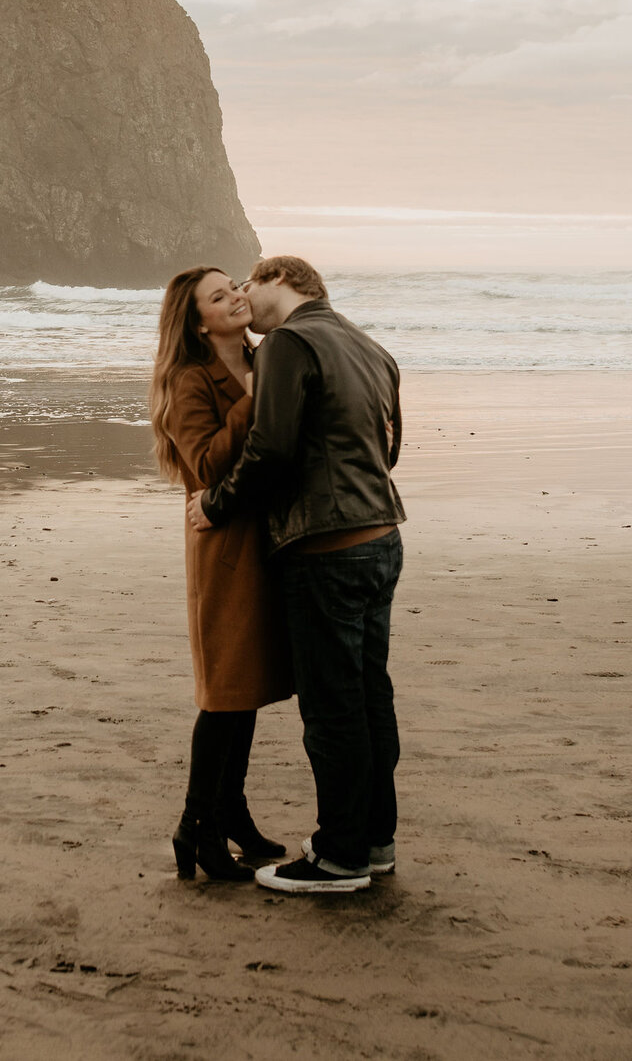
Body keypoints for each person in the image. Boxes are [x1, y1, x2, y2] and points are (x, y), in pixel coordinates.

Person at [190, 254, 405, 895]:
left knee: (334, 709)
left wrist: (216, 503)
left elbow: (272, 449)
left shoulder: (289, 342)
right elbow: (388, 447)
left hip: (325, 548)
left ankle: (339, 859)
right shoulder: (371, 346)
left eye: (248, 284)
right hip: (383, 537)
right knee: (371, 699)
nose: (243, 297)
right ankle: (373, 838)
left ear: (280, 281)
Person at [149, 265, 294, 881]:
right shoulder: (190, 379)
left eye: (234, 286)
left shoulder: (268, 359)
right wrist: (257, 397)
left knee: (247, 689)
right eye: (218, 297)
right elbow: (206, 464)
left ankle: (230, 812)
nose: (236, 297)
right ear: (198, 321)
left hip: (267, 540)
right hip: (223, 544)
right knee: (223, 696)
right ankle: (194, 829)